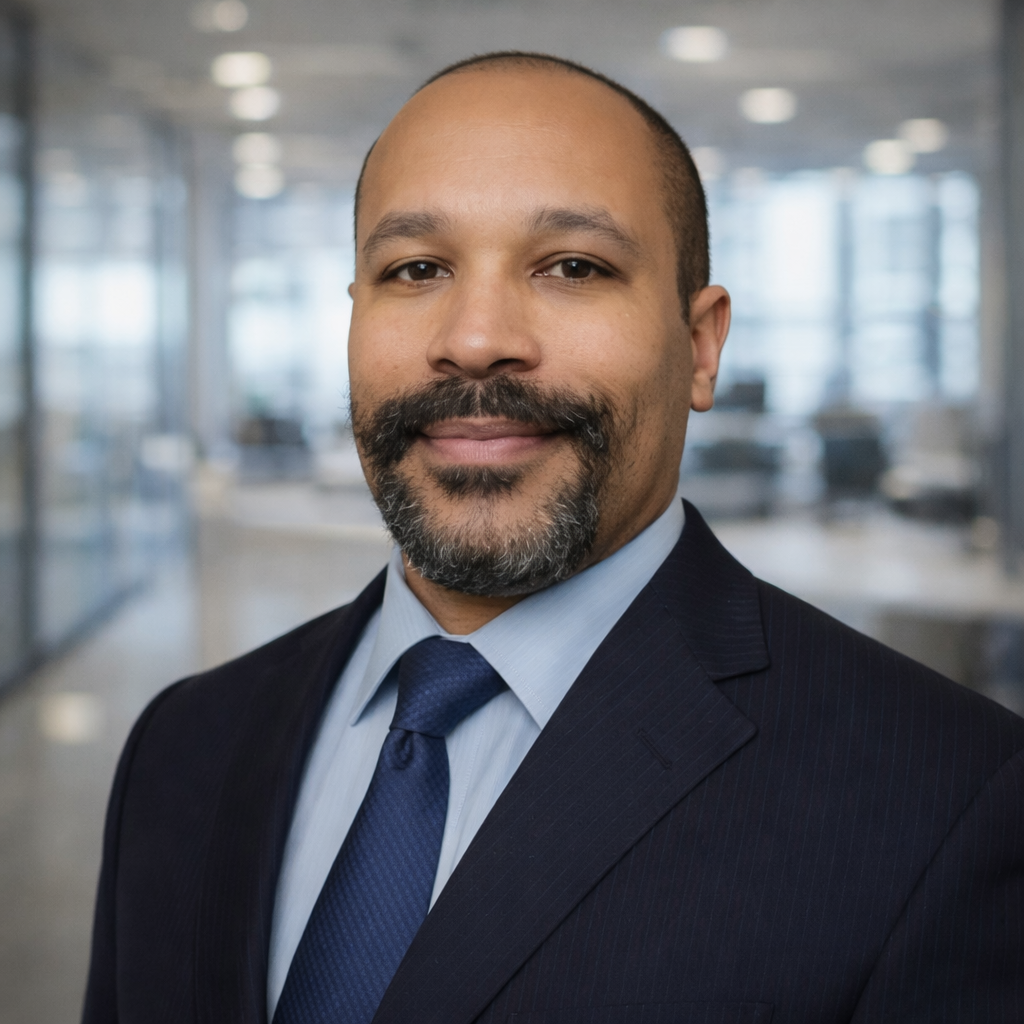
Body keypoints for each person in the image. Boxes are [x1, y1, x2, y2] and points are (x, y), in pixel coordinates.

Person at [82, 52, 1024, 1024]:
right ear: (354, 320)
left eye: (573, 266)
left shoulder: (949, 798)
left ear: (700, 344)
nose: (477, 336)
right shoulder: (183, 742)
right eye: (416, 269)